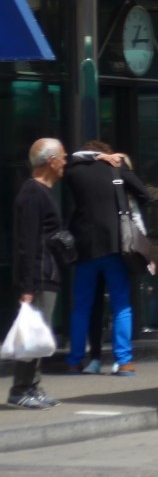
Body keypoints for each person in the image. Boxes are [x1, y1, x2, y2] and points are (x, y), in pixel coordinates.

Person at [63, 141, 150, 376]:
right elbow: (144, 192)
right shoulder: (116, 168)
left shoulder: (73, 171)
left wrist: (96, 157)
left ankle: (74, 360)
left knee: (81, 306)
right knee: (121, 304)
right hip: (114, 245)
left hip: (84, 247)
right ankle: (124, 362)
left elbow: (74, 156)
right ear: (108, 155)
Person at [8, 138, 71, 409]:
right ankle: (20, 389)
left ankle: (32, 386)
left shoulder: (42, 191)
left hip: (46, 275)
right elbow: (27, 242)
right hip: (38, 277)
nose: (66, 162)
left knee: (38, 334)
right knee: (32, 335)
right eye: (63, 157)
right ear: (51, 161)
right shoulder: (32, 194)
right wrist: (28, 287)